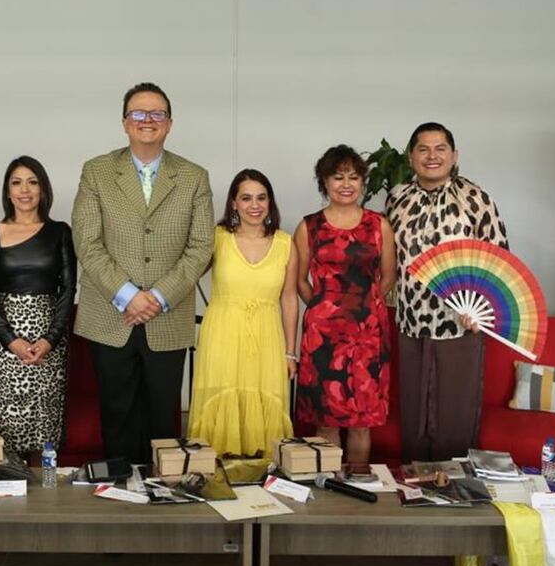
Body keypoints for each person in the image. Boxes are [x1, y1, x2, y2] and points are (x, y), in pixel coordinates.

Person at [71, 82, 214, 464]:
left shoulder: (193, 176)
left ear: (169, 124)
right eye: (138, 113)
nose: (147, 120)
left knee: (162, 419)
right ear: (124, 122)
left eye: (157, 114)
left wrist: (156, 297)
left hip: (168, 317)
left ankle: (161, 505)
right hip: (110, 315)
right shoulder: (97, 171)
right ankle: (119, 499)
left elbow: (201, 247)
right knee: (116, 414)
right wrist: (129, 295)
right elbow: (87, 242)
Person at [385, 122, 509, 462]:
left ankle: (455, 493)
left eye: (440, 148)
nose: (432, 156)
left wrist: (481, 311)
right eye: (423, 149)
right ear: (411, 157)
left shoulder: (476, 199)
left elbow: (498, 260)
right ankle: (414, 485)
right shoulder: (397, 198)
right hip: (410, 321)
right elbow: (387, 259)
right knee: (414, 410)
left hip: (460, 322)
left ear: (454, 156)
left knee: (455, 407)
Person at [294, 145, 396, 469]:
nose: (346, 184)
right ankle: (329, 492)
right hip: (322, 335)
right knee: (325, 419)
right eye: (338, 177)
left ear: (363, 182)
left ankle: (358, 485)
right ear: (324, 182)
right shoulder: (308, 226)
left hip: (368, 334)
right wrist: (327, 309)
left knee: (361, 420)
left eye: (353, 177)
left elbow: (389, 277)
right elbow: (299, 281)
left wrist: (361, 308)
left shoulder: (379, 225)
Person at [187, 169, 298, 457]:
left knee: (265, 404)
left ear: (270, 201)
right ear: (233, 203)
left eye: (261, 198)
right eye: (246, 198)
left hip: (267, 338)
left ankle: (263, 478)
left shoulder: (286, 243)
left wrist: (290, 352)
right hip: (221, 335)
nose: (254, 205)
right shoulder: (217, 237)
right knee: (220, 402)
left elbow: (289, 298)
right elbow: (186, 275)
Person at [0, 156, 75, 460]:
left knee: (46, 425)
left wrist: (50, 340)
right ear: (8, 191)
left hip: (50, 341)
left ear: (43, 189)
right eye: (17, 182)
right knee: (8, 424)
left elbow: (68, 289)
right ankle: (11, 493)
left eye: (33, 182)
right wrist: (11, 341)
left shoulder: (60, 231)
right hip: (7, 341)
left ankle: (46, 494)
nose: (25, 190)